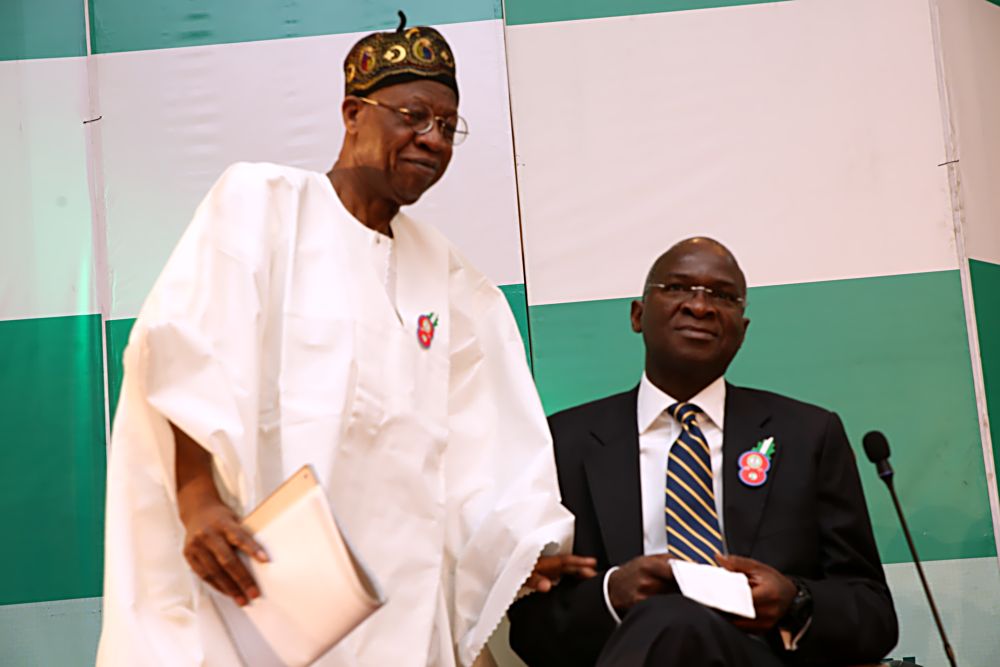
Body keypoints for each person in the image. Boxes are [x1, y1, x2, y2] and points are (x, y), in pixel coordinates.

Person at [97, 16, 592, 667]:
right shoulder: (264, 204)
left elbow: (487, 441)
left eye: (448, 126)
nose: (433, 138)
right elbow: (186, 348)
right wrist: (198, 502)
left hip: (395, 605)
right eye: (414, 115)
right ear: (353, 113)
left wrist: (516, 553)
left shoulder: (454, 283)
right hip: (252, 579)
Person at [507, 237, 898, 666]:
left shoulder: (807, 435)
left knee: (677, 620)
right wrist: (612, 594)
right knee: (671, 619)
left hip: (759, 657)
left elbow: (874, 614)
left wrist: (794, 601)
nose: (700, 306)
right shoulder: (566, 442)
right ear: (638, 315)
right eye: (677, 288)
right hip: (628, 651)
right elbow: (530, 628)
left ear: (743, 330)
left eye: (723, 296)